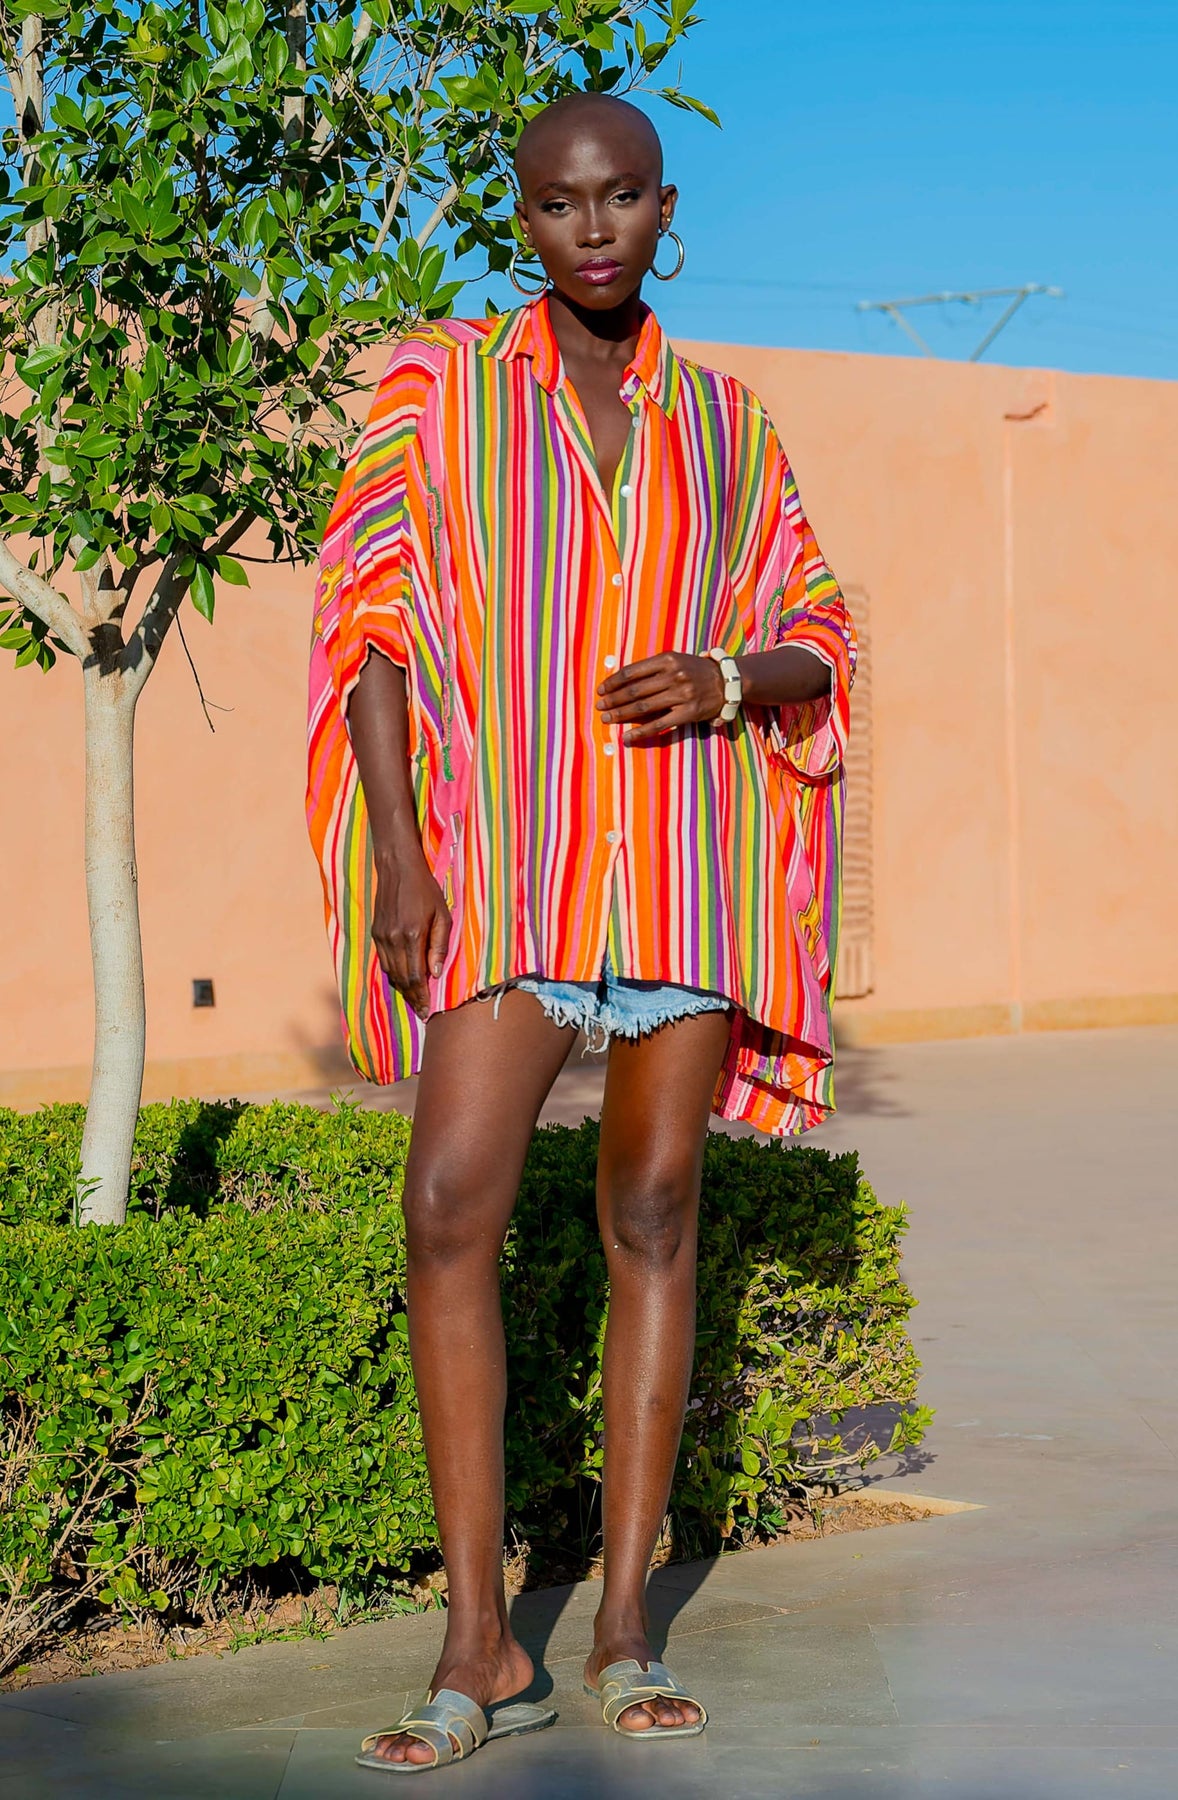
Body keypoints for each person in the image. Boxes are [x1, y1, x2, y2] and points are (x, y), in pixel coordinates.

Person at [306, 90, 855, 1774]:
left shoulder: (727, 419)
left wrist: (726, 676)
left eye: (620, 198)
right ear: (524, 218)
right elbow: (372, 623)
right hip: (507, 869)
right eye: (558, 203)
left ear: (664, 208)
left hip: (687, 863)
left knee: (652, 1213)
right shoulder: (439, 386)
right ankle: (479, 1644)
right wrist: (399, 856)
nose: (592, 228)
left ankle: (619, 1628)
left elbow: (818, 628)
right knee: (447, 1204)